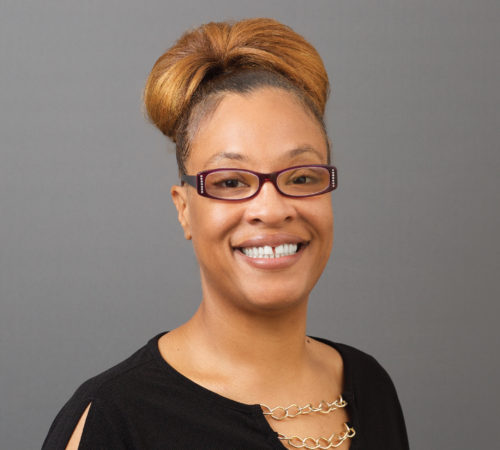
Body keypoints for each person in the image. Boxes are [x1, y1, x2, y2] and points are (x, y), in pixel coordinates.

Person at [42, 18, 409, 449]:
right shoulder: (116, 419)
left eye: (302, 177)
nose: (271, 209)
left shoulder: (370, 385)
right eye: (231, 182)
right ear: (184, 210)